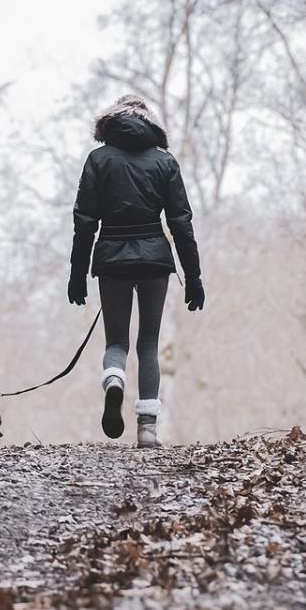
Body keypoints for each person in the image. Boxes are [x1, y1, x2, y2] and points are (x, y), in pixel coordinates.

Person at [68, 94, 204, 448]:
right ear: (150, 124)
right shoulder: (165, 163)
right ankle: (146, 429)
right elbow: (181, 222)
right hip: (154, 260)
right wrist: (194, 276)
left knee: (116, 341)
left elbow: (84, 221)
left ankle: (114, 378)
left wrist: (77, 272)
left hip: (111, 257)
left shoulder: (98, 159)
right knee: (148, 343)